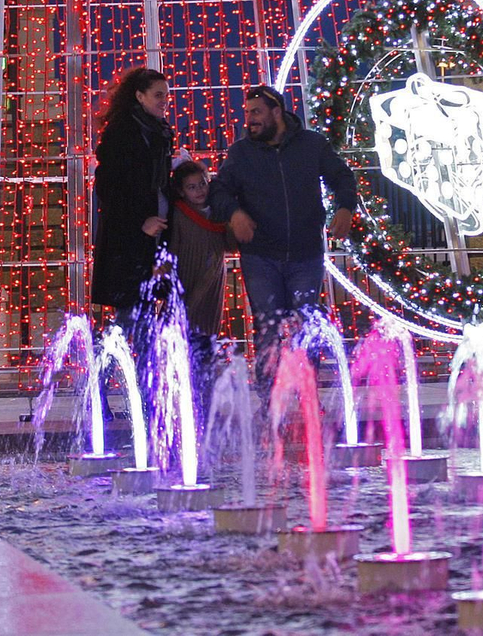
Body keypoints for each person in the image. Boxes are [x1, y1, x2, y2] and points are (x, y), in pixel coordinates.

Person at [208, 86, 357, 385]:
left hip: (305, 254)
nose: (250, 119)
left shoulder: (311, 144)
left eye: (257, 112)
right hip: (260, 255)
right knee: (268, 326)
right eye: (248, 113)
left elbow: (342, 176)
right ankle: (268, 401)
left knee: (307, 323)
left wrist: (345, 208)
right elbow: (219, 190)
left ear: (277, 112)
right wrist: (235, 213)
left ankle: (308, 395)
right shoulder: (241, 153)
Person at [92, 67, 174, 318]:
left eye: (167, 95)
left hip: (154, 232)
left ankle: (122, 355)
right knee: (134, 313)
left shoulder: (158, 132)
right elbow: (108, 187)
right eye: (159, 95)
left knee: (143, 312)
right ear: (140, 96)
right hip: (131, 238)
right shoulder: (123, 133)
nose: (165, 101)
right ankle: (113, 355)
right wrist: (140, 222)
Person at [167, 159, 236, 409]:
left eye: (203, 184)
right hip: (187, 279)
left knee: (207, 337)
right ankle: (188, 395)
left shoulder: (217, 212)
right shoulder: (179, 214)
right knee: (187, 335)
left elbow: (230, 244)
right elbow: (172, 249)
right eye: (192, 187)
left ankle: (205, 397)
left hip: (212, 283)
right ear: (182, 191)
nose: (199, 191)